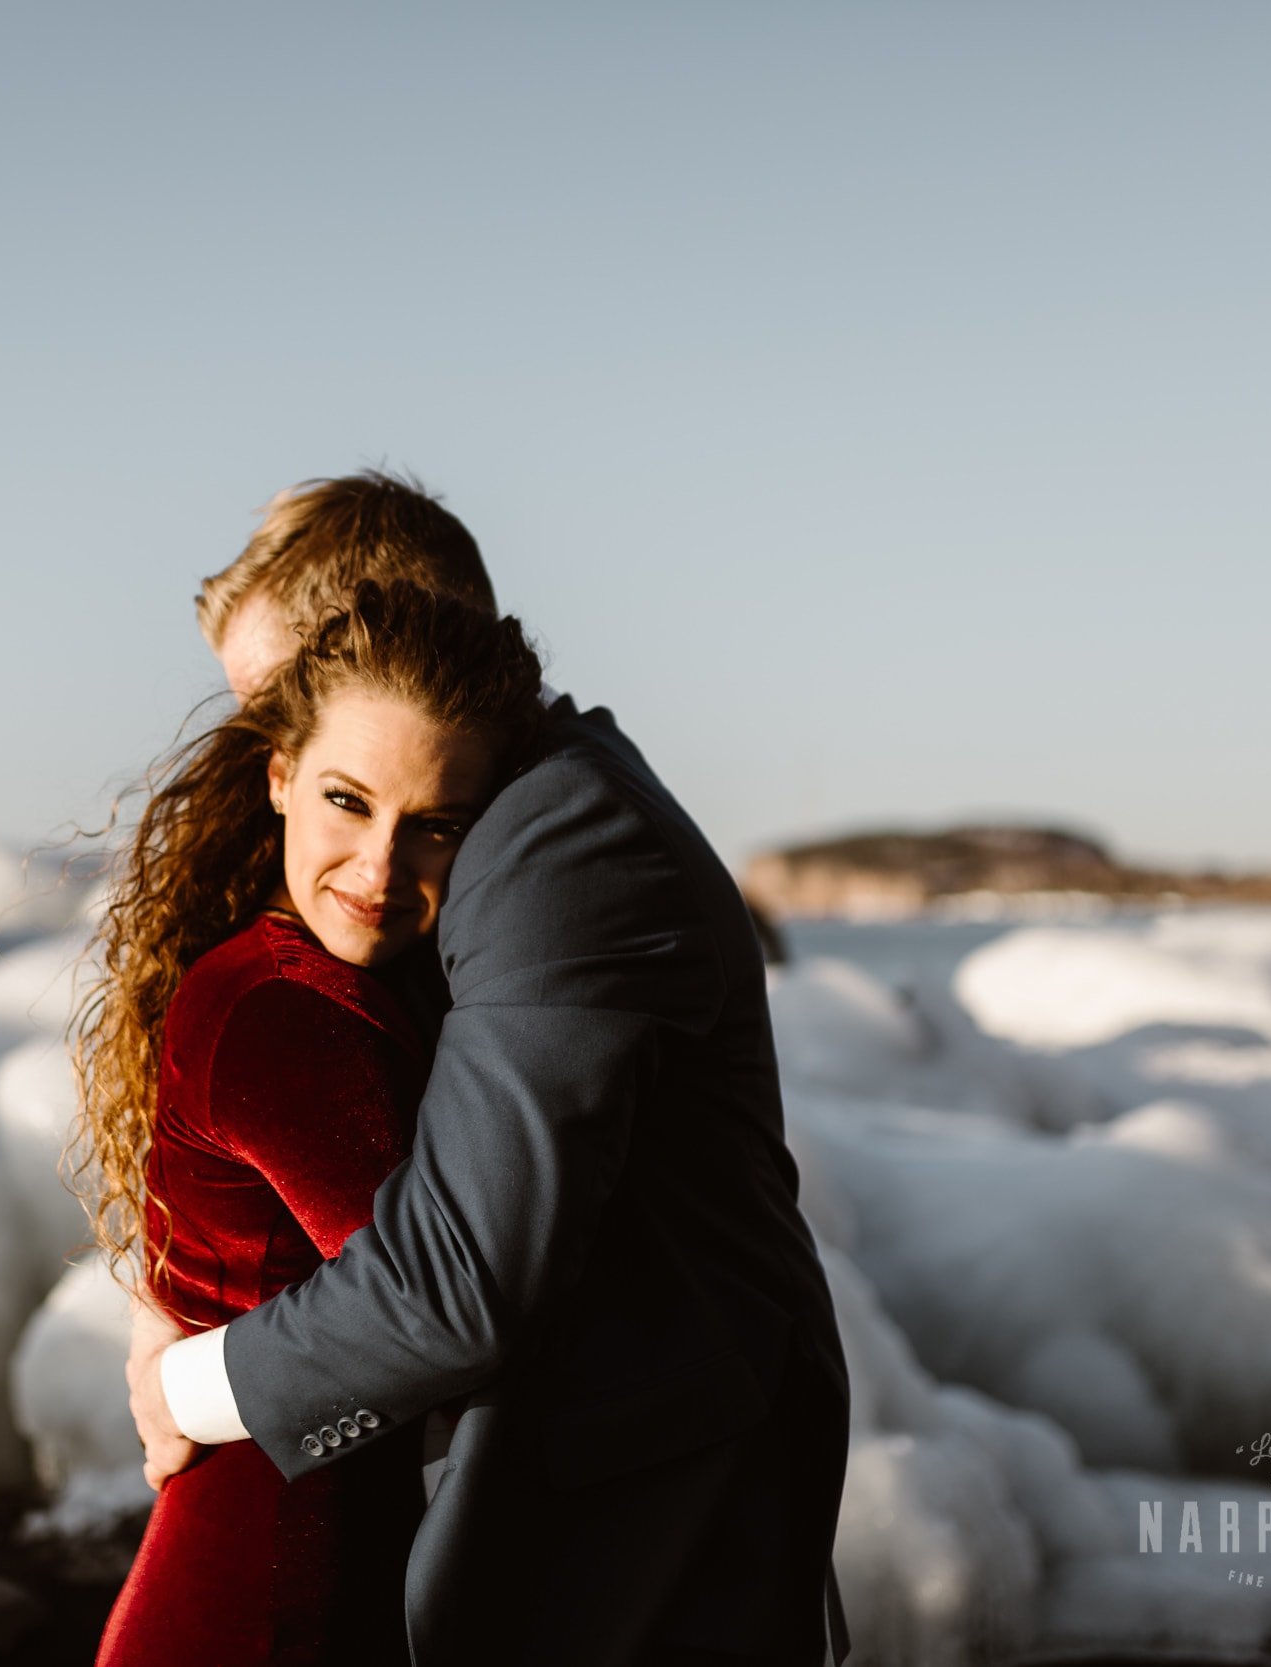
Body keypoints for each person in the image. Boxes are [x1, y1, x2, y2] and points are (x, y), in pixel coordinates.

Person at [127, 472, 853, 1667]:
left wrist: (192, 1383)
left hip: (639, 1519)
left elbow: (457, 1280)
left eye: (272, 697)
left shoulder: (553, 844)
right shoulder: (489, 823)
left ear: (389, 641)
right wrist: (180, 1293)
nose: (258, 744)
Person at [77, 579, 552, 1666]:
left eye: (434, 824)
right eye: (348, 798)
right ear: (280, 774)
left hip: (302, 1571)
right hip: (263, 1597)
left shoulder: (328, 980)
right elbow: (440, 1316)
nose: (380, 869)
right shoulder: (283, 1011)